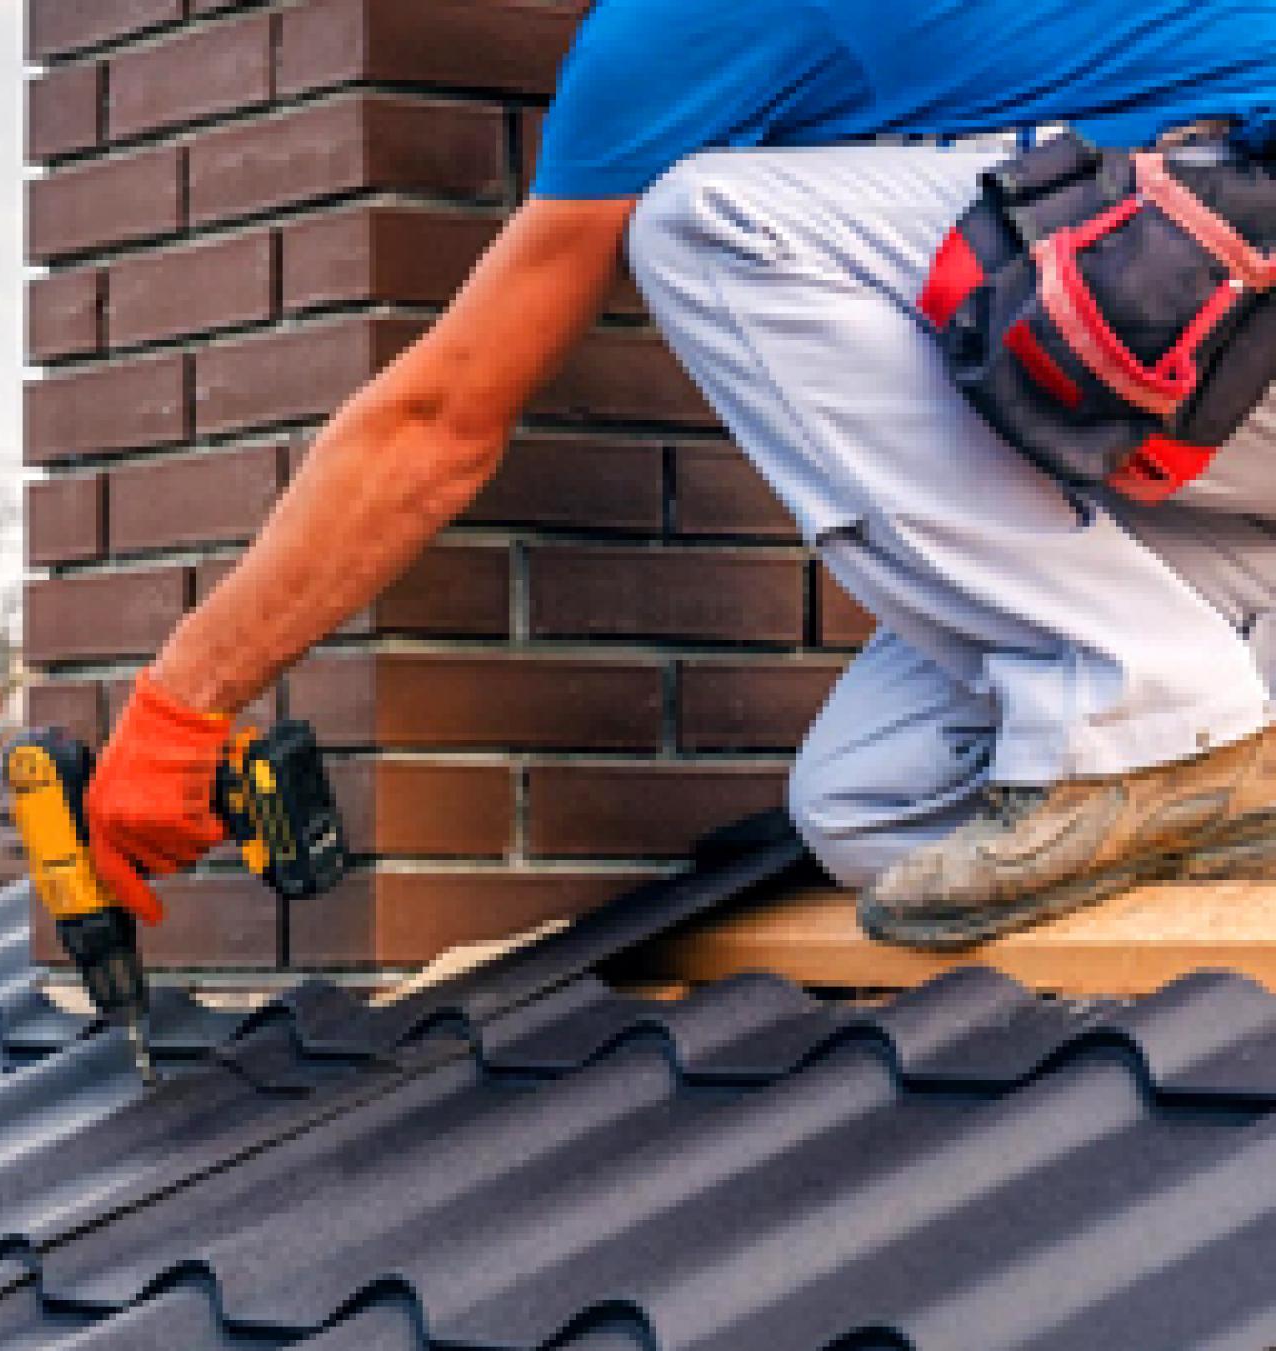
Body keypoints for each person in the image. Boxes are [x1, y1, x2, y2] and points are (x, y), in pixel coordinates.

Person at [82, 0, 1276, 950]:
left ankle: (1157, 716)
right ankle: (1204, 713)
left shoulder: (681, 23)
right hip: (1220, 419)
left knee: (709, 225)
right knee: (874, 807)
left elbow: (438, 420)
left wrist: (184, 701)